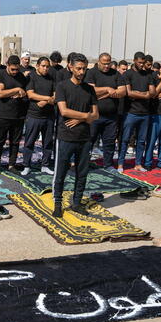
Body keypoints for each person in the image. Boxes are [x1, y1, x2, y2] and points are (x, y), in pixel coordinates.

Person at [52, 53, 98, 218]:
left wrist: (81, 119)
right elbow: (64, 111)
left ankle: (77, 202)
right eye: (79, 68)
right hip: (66, 137)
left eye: (84, 69)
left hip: (84, 137)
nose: (82, 72)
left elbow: (95, 115)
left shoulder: (89, 89)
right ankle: (57, 203)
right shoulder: (62, 86)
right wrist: (86, 117)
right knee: (61, 172)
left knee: (82, 172)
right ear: (70, 67)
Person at [117, 52, 155, 172]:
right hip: (130, 112)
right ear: (134, 61)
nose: (142, 65)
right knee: (125, 139)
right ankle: (120, 164)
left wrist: (138, 94)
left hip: (145, 113)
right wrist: (144, 95)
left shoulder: (148, 75)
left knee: (141, 141)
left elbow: (153, 93)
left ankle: (138, 163)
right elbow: (129, 93)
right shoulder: (128, 74)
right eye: (139, 62)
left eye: (143, 63)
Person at [0, 55, 29, 174]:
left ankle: (11, 164)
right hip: (2, 115)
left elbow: (25, 94)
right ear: (7, 65)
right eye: (12, 69)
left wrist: (20, 93)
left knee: (15, 142)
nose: (15, 72)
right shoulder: (1, 74)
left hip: (18, 115)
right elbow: (0, 93)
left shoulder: (22, 77)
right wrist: (16, 90)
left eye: (17, 69)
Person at [21, 56, 56, 175]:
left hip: (49, 116)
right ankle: (26, 165)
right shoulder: (32, 77)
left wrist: (45, 102)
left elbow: (55, 96)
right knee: (29, 142)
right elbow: (30, 95)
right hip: (34, 116)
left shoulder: (51, 78)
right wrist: (47, 98)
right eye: (43, 66)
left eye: (47, 66)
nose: (46, 68)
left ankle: (45, 165)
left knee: (47, 143)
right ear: (37, 66)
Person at [85, 53, 120, 170]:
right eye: (104, 64)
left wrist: (102, 94)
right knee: (89, 140)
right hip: (95, 115)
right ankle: (84, 163)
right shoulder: (92, 73)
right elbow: (91, 90)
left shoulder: (115, 73)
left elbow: (122, 91)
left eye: (108, 63)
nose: (106, 66)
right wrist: (108, 90)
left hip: (111, 116)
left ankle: (108, 164)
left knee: (109, 142)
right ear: (99, 62)